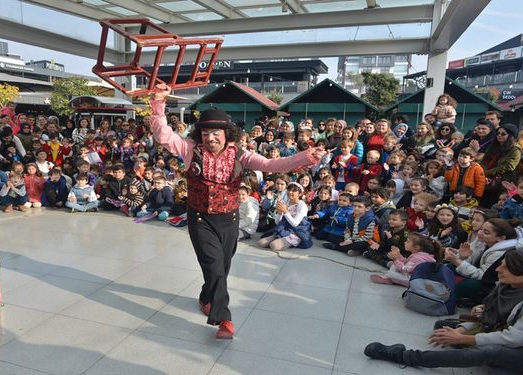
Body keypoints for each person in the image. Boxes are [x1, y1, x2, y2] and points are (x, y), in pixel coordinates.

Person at [149, 83, 324, 339]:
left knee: (223, 267)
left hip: (229, 219)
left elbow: (272, 165)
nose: (211, 138)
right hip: (199, 218)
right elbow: (163, 134)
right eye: (206, 132)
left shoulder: (241, 155)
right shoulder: (189, 149)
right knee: (213, 265)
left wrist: (305, 158)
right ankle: (224, 319)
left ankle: (207, 297)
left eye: (216, 133)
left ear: (226, 133)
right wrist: (158, 102)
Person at [364, 249, 523, 373]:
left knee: (491, 352)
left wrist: (464, 339)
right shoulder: (506, 286)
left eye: (506, 267)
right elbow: (491, 320)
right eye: (501, 264)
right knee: (442, 326)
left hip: (516, 344)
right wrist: (461, 330)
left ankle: (404, 356)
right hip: (502, 331)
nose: (498, 270)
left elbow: (513, 338)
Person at [258, 182, 311, 251]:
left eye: (294, 191)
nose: (290, 192)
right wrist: (280, 213)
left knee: (274, 246)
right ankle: (279, 237)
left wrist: (285, 211)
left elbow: (295, 224)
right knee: (261, 243)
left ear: (300, 194)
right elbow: (277, 222)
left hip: (297, 231)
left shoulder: (301, 205)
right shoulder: (286, 202)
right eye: (289, 190)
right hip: (284, 229)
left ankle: (290, 241)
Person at [370, 233, 439, 286]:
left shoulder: (418, 258)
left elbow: (405, 269)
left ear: (417, 247)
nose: (405, 242)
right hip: (410, 274)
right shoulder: (417, 254)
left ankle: (388, 278)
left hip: (413, 280)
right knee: (394, 266)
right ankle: (388, 278)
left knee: (391, 273)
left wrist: (395, 260)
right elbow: (407, 262)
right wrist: (399, 256)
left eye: (408, 241)